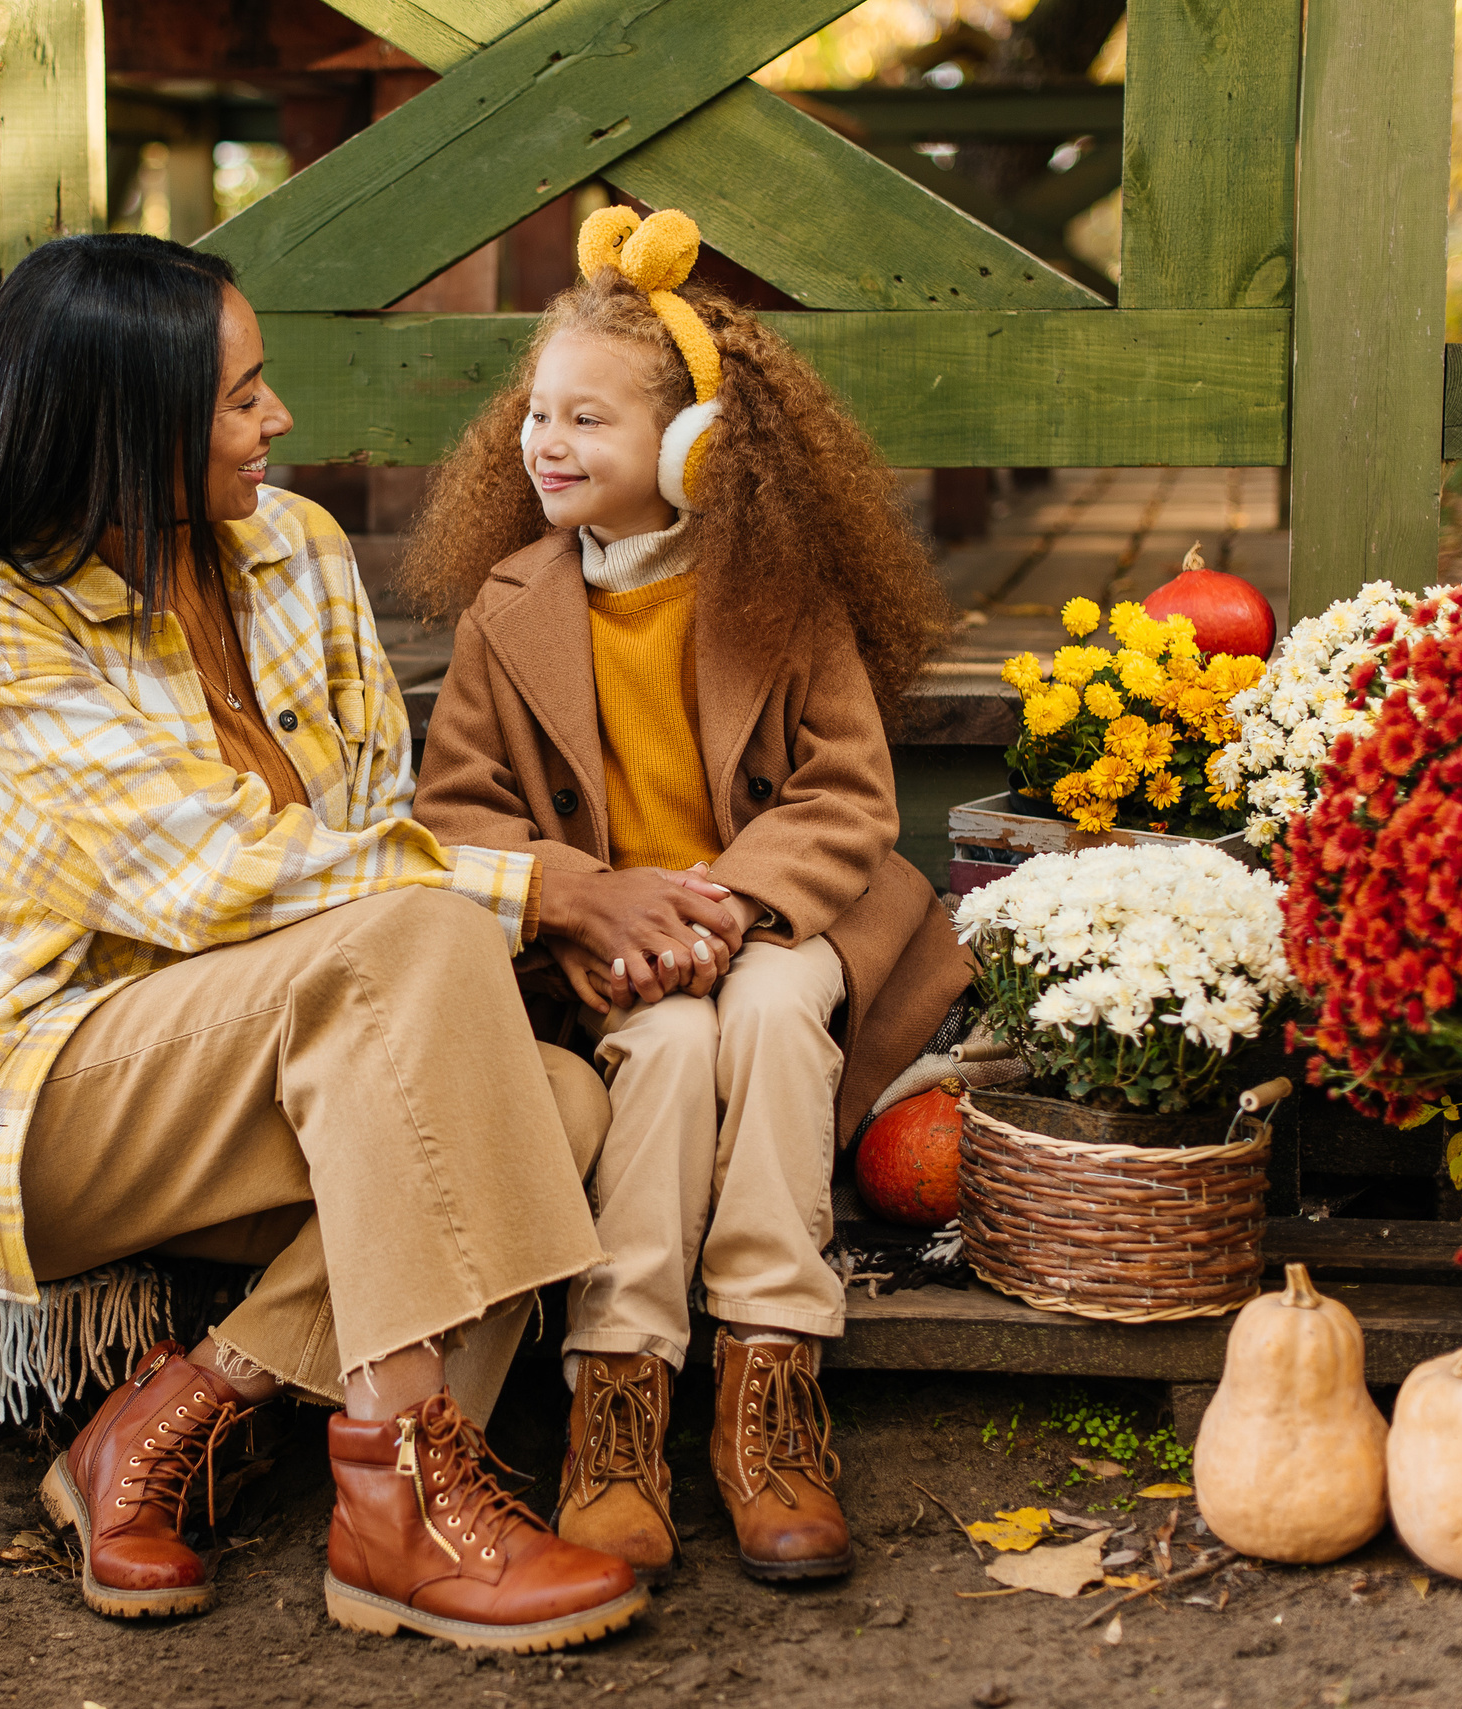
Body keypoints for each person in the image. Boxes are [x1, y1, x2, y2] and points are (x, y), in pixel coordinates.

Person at [0, 233, 650, 1652]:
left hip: (279, 1057)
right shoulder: (1, 619)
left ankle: (172, 1414)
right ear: (124, 424)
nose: (277, 420)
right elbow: (218, 881)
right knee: (417, 942)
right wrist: (543, 891)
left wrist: (480, 907)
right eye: (239, 397)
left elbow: (361, 833)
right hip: (46, 1090)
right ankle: (400, 1494)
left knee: (561, 1096)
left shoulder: (298, 552)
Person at [407, 206, 975, 1585]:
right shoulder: (507, 611)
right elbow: (458, 812)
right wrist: (585, 900)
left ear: (690, 448)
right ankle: (622, 1391)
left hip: (778, 921)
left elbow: (847, 795)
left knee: (777, 1016)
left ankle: (771, 1381)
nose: (548, 442)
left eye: (589, 421)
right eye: (538, 412)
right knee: (663, 1050)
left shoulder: (781, 596)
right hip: (615, 957)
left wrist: (726, 906)